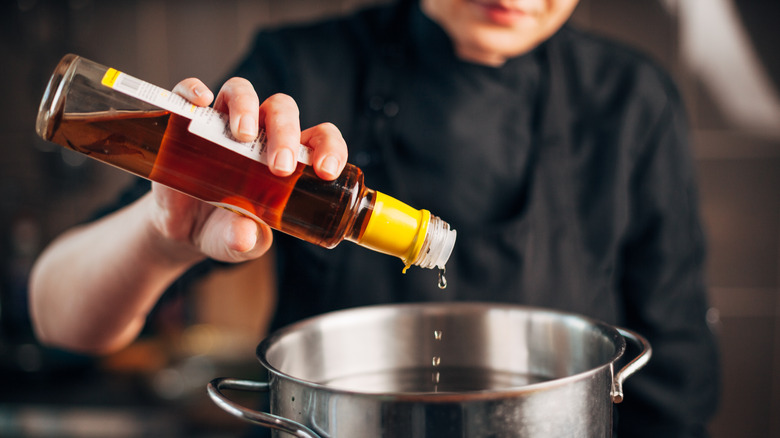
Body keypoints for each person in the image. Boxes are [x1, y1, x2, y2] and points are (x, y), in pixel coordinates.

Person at [29, 0, 720, 436]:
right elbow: (57, 318)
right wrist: (162, 235)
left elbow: (676, 386)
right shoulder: (300, 66)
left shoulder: (633, 102)